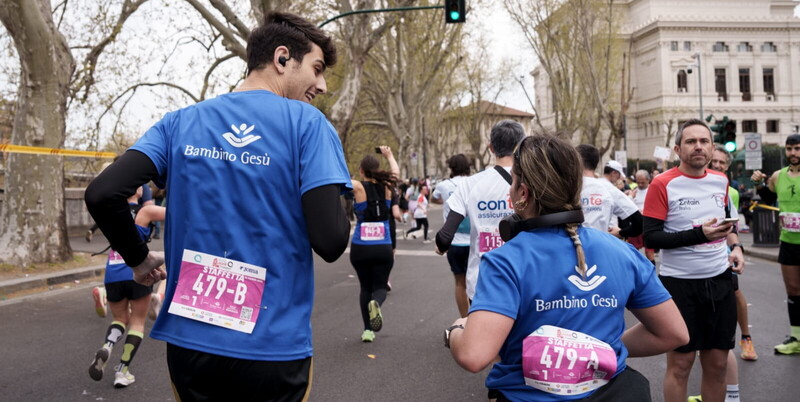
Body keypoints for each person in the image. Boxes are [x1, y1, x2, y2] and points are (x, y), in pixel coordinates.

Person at [84, 11, 351, 401]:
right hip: (271, 347)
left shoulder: (180, 122)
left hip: (191, 346)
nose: (322, 85)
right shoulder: (308, 125)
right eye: (317, 69)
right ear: (281, 59)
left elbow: (102, 193)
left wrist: (138, 259)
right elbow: (330, 242)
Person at [445, 134, 688, 401]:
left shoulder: (505, 261)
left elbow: (473, 355)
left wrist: (456, 330)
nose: (510, 190)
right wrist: (596, 351)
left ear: (523, 193)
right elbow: (674, 334)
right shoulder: (623, 252)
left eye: (513, 182)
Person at [643, 119, 745, 402]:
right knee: (681, 365)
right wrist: (699, 234)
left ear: (712, 148)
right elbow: (651, 238)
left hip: (720, 282)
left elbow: (729, 224)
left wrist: (736, 248)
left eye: (704, 141)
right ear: (678, 149)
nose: (698, 146)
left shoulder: (721, 180)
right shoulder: (662, 184)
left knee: (718, 364)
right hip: (680, 286)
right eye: (690, 141)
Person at [435, 120, 526, 303]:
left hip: (482, 281)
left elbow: (445, 236)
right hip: (525, 276)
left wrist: (442, 246)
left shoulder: (470, 184)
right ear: (521, 146)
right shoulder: (533, 181)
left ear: (490, 148)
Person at [88, 187, 165, 388]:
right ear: (138, 191)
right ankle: (122, 371)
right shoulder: (145, 212)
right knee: (138, 322)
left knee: (119, 319)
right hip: (137, 271)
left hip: (112, 272)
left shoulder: (111, 212)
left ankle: (107, 345)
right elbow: (180, 214)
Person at [751, 133, 800, 355]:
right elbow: (767, 199)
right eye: (790, 149)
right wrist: (758, 183)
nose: (793, 153)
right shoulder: (778, 176)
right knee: (793, 290)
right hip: (788, 241)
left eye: (798, 149)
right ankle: (796, 338)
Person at [349, 149, 397, 342]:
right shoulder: (387, 186)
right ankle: (376, 303)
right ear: (378, 170)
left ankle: (367, 330)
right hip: (383, 247)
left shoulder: (359, 187)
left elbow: (338, 179)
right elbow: (395, 173)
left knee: (364, 287)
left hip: (360, 247)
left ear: (361, 171)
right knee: (379, 287)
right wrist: (389, 156)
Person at [431, 154, 471, 317]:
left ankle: (464, 319)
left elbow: (434, 199)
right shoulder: (474, 182)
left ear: (451, 168)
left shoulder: (443, 185)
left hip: (454, 241)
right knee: (477, 282)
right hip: (475, 242)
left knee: (460, 283)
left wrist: (447, 202)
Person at [575, 144, 642, 240]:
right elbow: (639, 223)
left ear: (576, 161)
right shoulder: (608, 189)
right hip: (601, 246)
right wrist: (620, 233)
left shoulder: (566, 188)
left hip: (571, 248)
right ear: (596, 164)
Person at [629, 169, 656, 265]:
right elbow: (628, 207)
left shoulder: (653, 190)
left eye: (642, 183)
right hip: (636, 224)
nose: (640, 185)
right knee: (632, 251)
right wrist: (631, 197)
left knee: (649, 252)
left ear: (648, 180)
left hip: (648, 224)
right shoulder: (634, 192)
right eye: (638, 182)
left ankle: (652, 274)